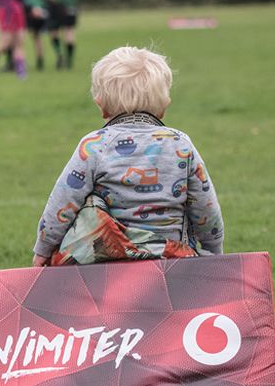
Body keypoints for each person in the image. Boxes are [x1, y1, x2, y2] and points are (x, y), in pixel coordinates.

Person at [32, 47, 224, 267]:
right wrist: (213, 251)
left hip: (107, 264)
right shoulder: (180, 144)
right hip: (172, 261)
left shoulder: (94, 146)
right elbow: (205, 207)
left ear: (101, 105)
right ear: (164, 106)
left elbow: (63, 201)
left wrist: (43, 250)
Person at [24, 0, 49, 71]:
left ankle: (19, 62)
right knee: (37, 38)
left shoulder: (26, 1)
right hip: (40, 19)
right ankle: (40, 61)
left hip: (30, 17)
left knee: (21, 39)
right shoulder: (39, 0)